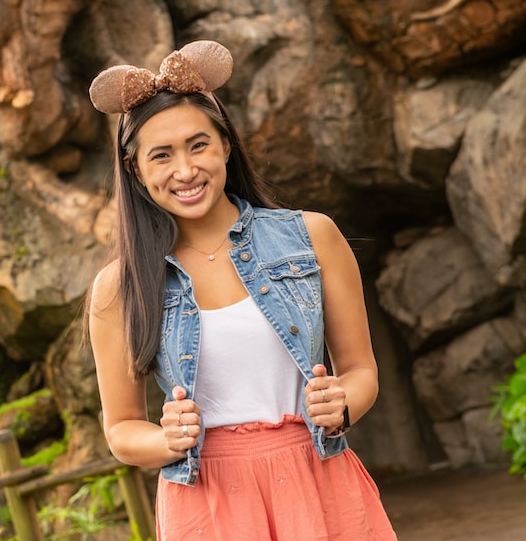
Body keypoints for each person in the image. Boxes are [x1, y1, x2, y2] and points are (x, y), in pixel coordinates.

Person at [85, 40, 397, 540]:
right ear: (135, 170)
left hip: (316, 476)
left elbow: (361, 372)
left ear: (226, 145)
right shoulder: (119, 288)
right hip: (206, 499)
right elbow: (121, 430)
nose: (185, 170)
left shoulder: (312, 237)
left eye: (198, 145)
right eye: (161, 155)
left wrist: (340, 404)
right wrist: (167, 438)